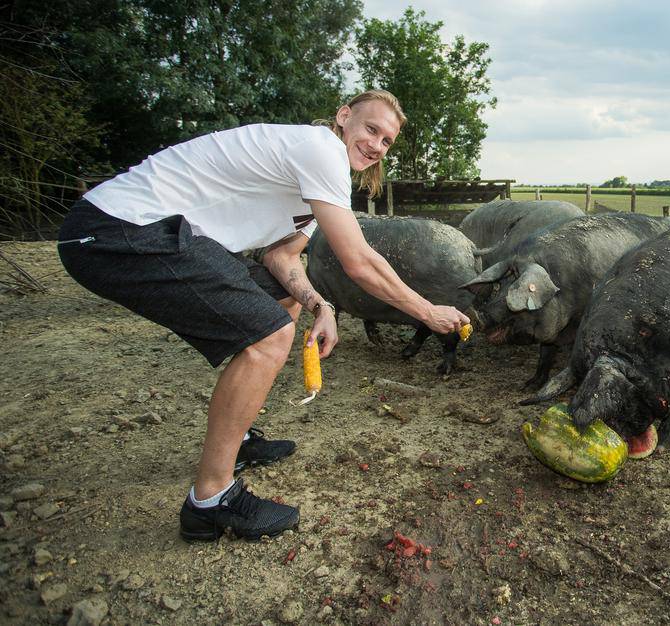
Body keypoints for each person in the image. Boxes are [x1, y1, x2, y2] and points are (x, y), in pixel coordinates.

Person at [57, 89, 469, 541]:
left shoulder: (316, 184)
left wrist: (321, 305)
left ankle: (239, 437)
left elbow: (283, 261)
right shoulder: (320, 149)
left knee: (281, 299)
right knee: (269, 335)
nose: (376, 146)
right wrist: (426, 310)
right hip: (115, 229)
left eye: (387, 141)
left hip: (149, 234)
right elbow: (358, 260)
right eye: (371, 129)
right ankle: (210, 501)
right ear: (344, 116)